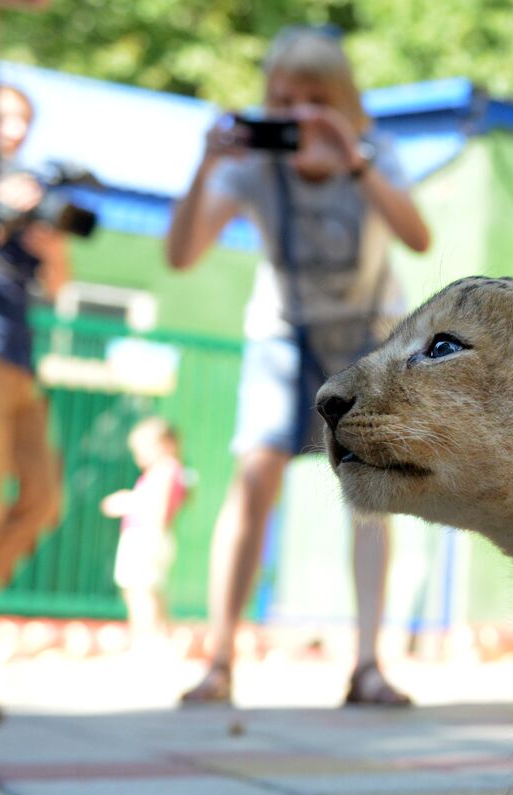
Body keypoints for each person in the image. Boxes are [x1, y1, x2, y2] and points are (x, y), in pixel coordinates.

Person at [165, 27, 430, 705]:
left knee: (369, 497)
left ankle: (368, 664)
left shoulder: (375, 154)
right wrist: (204, 166)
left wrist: (356, 163)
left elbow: (417, 236)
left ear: (343, 102)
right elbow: (182, 254)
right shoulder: (254, 165)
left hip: (366, 340)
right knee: (253, 478)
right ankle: (219, 660)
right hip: (282, 337)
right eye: (284, 98)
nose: (299, 113)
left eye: (316, 98)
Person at [0, 83, 69, 589]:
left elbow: (60, 288)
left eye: (24, 120)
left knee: (43, 499)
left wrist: (52, 245)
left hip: (20, 362)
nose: (16, 130)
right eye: (4, 118)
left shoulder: (27, 190)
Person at [101, 417, 187, 646]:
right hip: (150, 536)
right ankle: (157, 638)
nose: (138, 455)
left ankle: (147, 639)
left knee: (141, 591)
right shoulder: (168, 471)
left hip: (146, 536)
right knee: (148, 589)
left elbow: (157, 505)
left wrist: (127, 501)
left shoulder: (165, 469)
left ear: (166, 444)